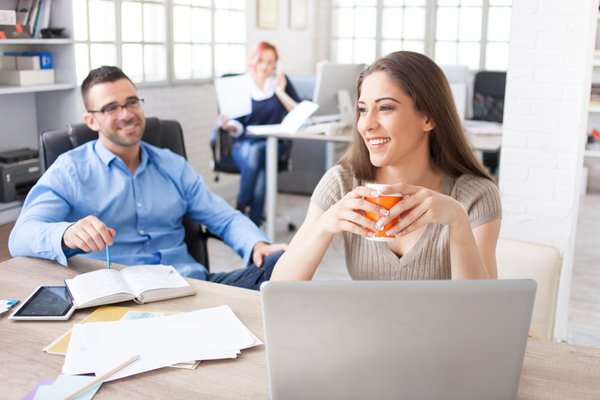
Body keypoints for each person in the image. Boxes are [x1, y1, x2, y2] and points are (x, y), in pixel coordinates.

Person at [9, 66, 286, 290]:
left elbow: (224, 217)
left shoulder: (172, 165)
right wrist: (66, 233)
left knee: (283, 264)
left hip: (190, 286)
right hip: (117, 297)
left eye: (132, 102)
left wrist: (256, 244)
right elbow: (20, 236)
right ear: (91, 120)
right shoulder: (70, 169)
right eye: (111, 108)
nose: (127, 114)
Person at [272, 51, 501, 281]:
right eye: (362, 110)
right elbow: (279, 285)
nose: (367, 124)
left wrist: (458, 221)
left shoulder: (476, 196)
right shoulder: (342, 183)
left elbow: (483, 312)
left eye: (385, 108)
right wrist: (324, 226)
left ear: (429, 118)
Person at [218, 41, 301, 225]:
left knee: (258, 154)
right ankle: (254, 219)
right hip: (244, 143)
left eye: (271, 62)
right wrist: (228, 125)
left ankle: (240, 205)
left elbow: (299, 112)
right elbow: (236, 123)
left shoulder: (280, 82)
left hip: (273, 144)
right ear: (253, 60)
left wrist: (280, 91)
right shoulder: (241, 84)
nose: (266, 66)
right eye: (262, 60)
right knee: (259, 162)